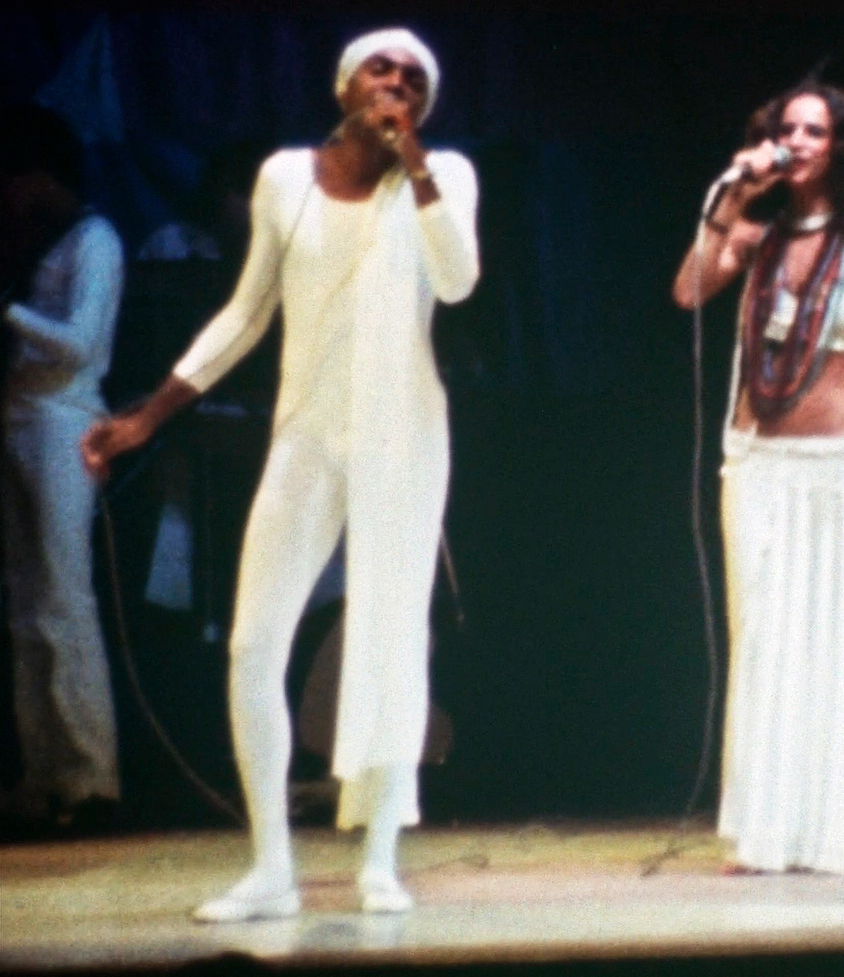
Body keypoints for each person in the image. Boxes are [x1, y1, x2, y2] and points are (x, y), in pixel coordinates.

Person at [81, 28, 479, 919]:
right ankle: (270, 867)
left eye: (415, 79)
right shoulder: (284, 178)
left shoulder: (444, 174)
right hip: (306, 435)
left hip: (403, 435)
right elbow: (246, 311)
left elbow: (456, 281)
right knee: (256, 642)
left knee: (388, 635)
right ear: (345, 85)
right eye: (382, 70)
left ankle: (380, 855)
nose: (397, 85)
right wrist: (146, 414)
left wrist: (413, 167)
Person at [670, 80, 844, 873]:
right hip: (754, 461)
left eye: (815, 131)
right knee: (764, 638)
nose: (800, 141)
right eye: (788, 130)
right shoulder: (752, 232)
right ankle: (763, 830)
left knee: (831, 644)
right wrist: (735, 192)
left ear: (842, 145)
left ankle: (837, 829)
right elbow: (687, 290)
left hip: (831, 463)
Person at [1, 102, 123, 833]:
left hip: (64, 421)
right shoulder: (35, 244)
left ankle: (91, 775)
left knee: (65, 598)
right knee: (26, 606)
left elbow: (79, 345)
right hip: (15, 417)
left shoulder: (96, 239)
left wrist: (8, 314)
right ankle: (42, 774)